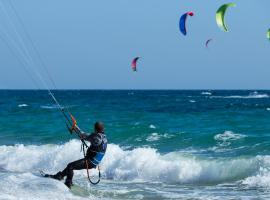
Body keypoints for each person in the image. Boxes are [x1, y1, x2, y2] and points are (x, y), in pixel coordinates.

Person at [44, 121, 107, 188]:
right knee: (70, 166)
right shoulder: (104, 137)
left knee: (70, 166)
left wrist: (75, 127)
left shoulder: (96, 137)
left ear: (95, 128)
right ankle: (59, 176)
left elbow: (83, 135)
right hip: (95, 161)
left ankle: (68, 184)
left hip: (91, 161)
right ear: (103, 129)